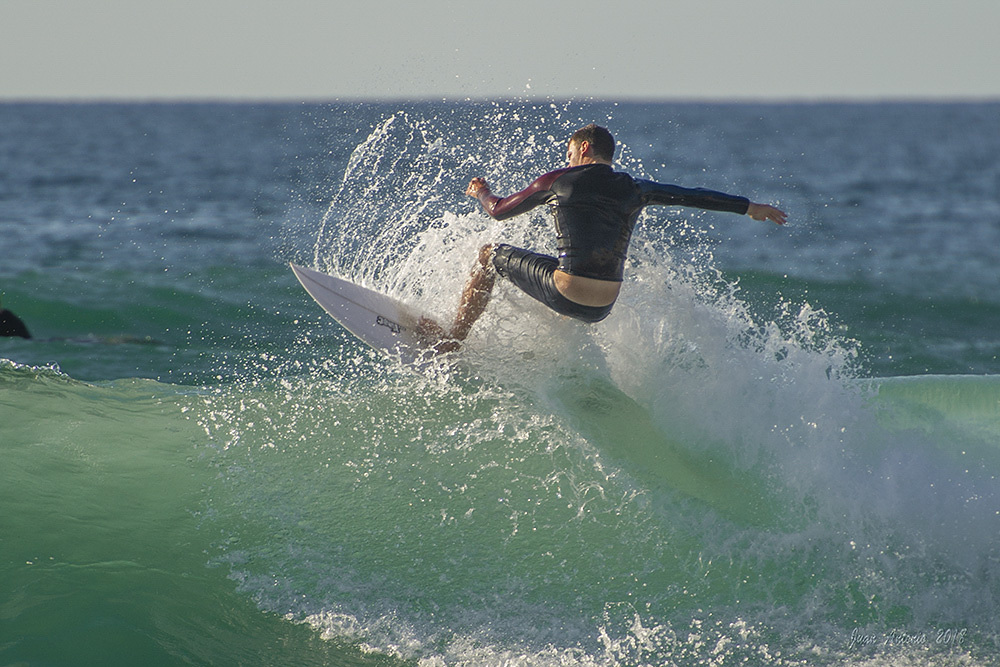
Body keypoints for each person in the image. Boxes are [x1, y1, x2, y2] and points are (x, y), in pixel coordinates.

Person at [419, 124, 786, 352]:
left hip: (568, 292)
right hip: (601, 307)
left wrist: (481, 191)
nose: (567, 160)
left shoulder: (559, 180)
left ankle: (453, 339)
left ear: (582, 150)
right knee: (565, 263)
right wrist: (748, 207)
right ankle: (550, 357)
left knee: (488, 256)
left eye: (568, 154)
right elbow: (691, 195)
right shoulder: (635, 188)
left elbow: (498, 210)